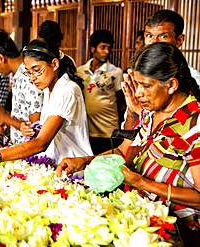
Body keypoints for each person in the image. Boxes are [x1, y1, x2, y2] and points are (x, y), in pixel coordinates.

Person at [57, 42, 200, 244]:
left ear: (172, 85)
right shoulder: (151, 112)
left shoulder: (194, 123)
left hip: (178, 229)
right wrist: (85, 161)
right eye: (137, 84)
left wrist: (142, 183)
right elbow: (124, 151)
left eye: (146, 86)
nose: (138, 93)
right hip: (141, 216)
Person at [0, 38, 92, 169]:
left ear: (54, 64)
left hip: (72, 165)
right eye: (29, 72)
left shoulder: (67, 90)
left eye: (37, 70)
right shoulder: (48, 89)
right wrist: (30, 128)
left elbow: (41, 143)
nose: (32, 78)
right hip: (57, 163)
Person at [123, 9, 200, 130]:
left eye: (163, 36)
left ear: (179, 40)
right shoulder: (137, 78)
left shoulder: (195, 80)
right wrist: (133, 112)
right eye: (149, 36)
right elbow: (128, 139)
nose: (154, 43)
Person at [77, 30, 125, 154]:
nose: (107, 52)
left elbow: (121, 103)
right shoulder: (80, 72)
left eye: (109, 48)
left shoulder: (115, 72)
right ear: (93, 49)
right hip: (87, 129)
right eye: (102, 47)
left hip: (108, 130)